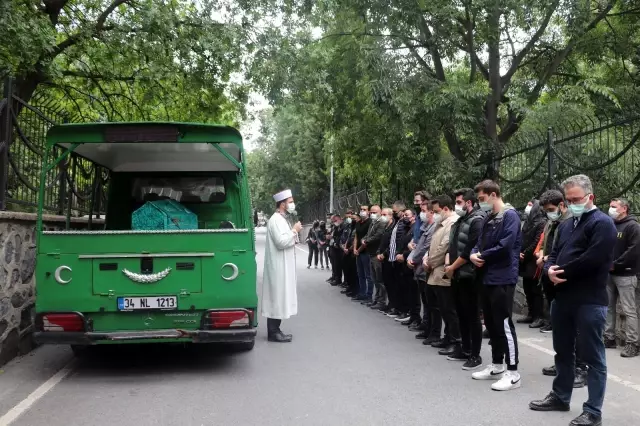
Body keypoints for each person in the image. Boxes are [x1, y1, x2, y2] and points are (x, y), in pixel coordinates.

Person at [529, 174, 617, 426]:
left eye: (577, 199)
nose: (572, 204)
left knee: (593, 358)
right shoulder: (567, 224)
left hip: (590, 300)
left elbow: (594, 259)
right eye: (568, 200)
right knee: (563, 351)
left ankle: (593, 411)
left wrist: (560, 272)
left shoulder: (602, 224)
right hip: (563, 298)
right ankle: (560, 396)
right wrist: (549, 271)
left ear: (591, 197)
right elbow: (552, 254)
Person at [469, 180, 522, 391]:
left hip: (503, 277)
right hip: (487, 277)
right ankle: (497, 365)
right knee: (491, 324)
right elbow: (478, 243)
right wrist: (473, 254)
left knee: (505, 325)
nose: (480, 203)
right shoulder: (488, 218)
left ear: (493, 194)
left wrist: (481, 255)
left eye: (482, 199)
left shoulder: (510, 216)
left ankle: (513, 372)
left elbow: (506, 245)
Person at [445, 188, 486, 369]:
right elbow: (452, 245)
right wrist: (449, 265)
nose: (457, 205)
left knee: (472, 315)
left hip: (469, 275)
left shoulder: (477, 221)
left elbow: (470, 248)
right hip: (457, 274)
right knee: (461, 313)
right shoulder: (462, 220)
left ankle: (475, 354)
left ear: (469, 203)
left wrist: (452, 267)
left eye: (459, 202)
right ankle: (465, 348)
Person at [262, 189, 303, 343]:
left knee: (280, 297)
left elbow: (287, 239)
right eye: (290, 201)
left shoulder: (282, 219)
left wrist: (293, 233)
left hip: (283, 265)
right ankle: (273, 332)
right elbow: (281, 242)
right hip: (278, 267)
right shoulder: (275, 220)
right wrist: (294, 230)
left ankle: (276, 329)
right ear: (282, 204)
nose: (293, 204)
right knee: (277, 297)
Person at [604, 198, 640, 358]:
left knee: (629, 310)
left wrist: (615, 264)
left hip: (626, 274)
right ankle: (609, 337)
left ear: (624, 208)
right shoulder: (610, 225)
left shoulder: (633, 226)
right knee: (608, 307)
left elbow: (634, 250)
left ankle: (633, 343)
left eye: (613, 207)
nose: (610, 209)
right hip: (609, 274)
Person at [425, 195, 460, 355]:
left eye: (436, 210)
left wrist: (431, 262)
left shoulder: (452, 222)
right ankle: (447, 338)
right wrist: (427, 258)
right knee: (442, 308)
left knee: (449, 309)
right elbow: (432, 245)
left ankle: (454, 340)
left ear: (445, 208)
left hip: (442, 271)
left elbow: (445, 246)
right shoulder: (441, 223)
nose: (434, 213)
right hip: (435, 271)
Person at [408, 198, 436, 336]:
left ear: (431, 212)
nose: (422, 214)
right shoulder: (424, 227)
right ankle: (426, 327)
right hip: (419, 268)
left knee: (430, 303)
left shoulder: (433, 228)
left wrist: (413, 259)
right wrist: (411, 258)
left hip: (425, 268)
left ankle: (430, 329)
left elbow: (425, 247)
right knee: (426, 301)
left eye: (424, 211)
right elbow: (417, 245)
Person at [518, 199, 546, 329]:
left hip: (533, 261)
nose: (527, 207)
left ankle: (538, 316)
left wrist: (526, 253)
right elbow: (521, 238)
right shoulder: (527, 222)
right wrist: (519, 252)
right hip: (524, 260)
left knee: (535, 289)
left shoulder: (541, 223)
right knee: (527, 287)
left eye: (530, 205)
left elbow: (537, 242)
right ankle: (530, 313)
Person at [358, 205, 387, 307]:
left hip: (376, 253)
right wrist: (363, 239)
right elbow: (368, 234)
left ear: (379, 212)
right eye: (371, 212)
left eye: (375, 212)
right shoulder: (373, 223)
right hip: (371, 253)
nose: (372, 214)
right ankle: (377, 299)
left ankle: (381, 301)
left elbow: (377, 235)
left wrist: (366, 241)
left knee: (379, 279)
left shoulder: (382, 223)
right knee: (374, 278)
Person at [386, 201, 408, 318]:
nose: (393, 213)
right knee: (395, 285)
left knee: (402, 286)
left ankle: (404, 310)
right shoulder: (396, 222)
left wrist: (400, 253)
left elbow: (402, 240)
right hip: (392, 257)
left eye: (395, 211)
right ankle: (398, 308)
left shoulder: (404, 223)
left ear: (402, 211)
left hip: (399, 258)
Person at [375, 208, 397, 313]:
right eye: (382, 214)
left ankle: (393, 304)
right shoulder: (385, 227)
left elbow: (392, 244)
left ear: (391, 215)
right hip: (382, 257)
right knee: (386, 282)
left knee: (391, 283)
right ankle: (389, 304)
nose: (382, 216)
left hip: (389, 258)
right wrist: (379, 252)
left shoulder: (393, 228)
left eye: (384, 214)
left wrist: (384, 254)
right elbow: (382, 242)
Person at [353, 205, 374, 302]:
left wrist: (359, 249)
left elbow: (367, 238)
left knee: (368, 275)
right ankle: (362, 293)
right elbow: (356, 237)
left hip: (366, 251)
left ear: (368, 211)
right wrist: (354, 249)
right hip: (358, 252)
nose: (362, 211)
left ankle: (369, 295)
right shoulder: (358, 222)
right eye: (361, 209)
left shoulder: (370, 223)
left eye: (364, 210)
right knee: (360, 274)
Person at [328, 214, 345, 286]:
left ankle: (338, 279)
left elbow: (340, 236)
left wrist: (336, 242)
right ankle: (335, 277)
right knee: (334, 264)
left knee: (338, 265)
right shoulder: (334, 226)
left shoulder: (342, 226)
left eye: (334, 220)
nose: (333, 222)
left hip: (338, 248)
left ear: (339, 219)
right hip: (332, 246)